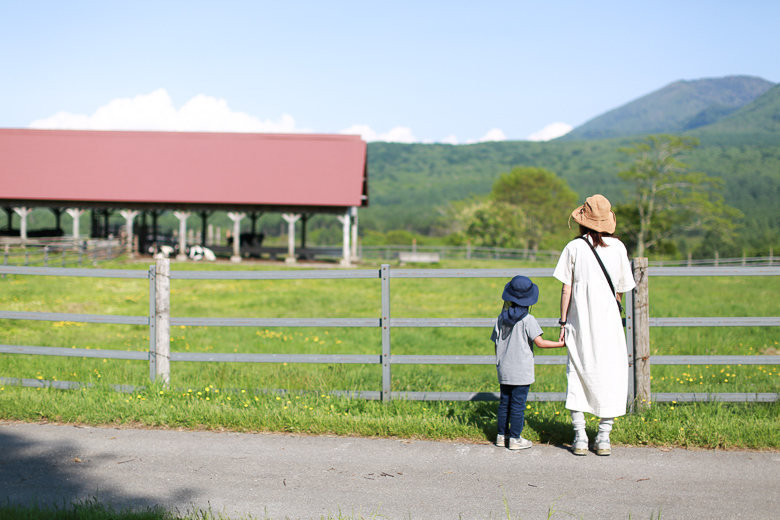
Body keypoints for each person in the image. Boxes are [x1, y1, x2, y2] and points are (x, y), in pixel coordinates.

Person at [553, 194, 636, 456]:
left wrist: (563, 322)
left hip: (580, 322)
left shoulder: (573, 248)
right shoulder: (619, 249)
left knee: (577, 372)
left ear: (582, 221)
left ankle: (579, 437)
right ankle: (603, 438)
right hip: (609, 322)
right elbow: (621, 290)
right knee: (611, 374)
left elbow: (566, 288)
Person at [491, 275, 565, 450]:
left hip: (504, 369)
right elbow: (539, 342)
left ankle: (502, 436)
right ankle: (515, 439)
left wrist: (500, 361)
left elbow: (495, 342)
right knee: (517, 405)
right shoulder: (528, 320)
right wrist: (561, 344)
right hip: (521, 371)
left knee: (504, 403)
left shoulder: (500, 318)